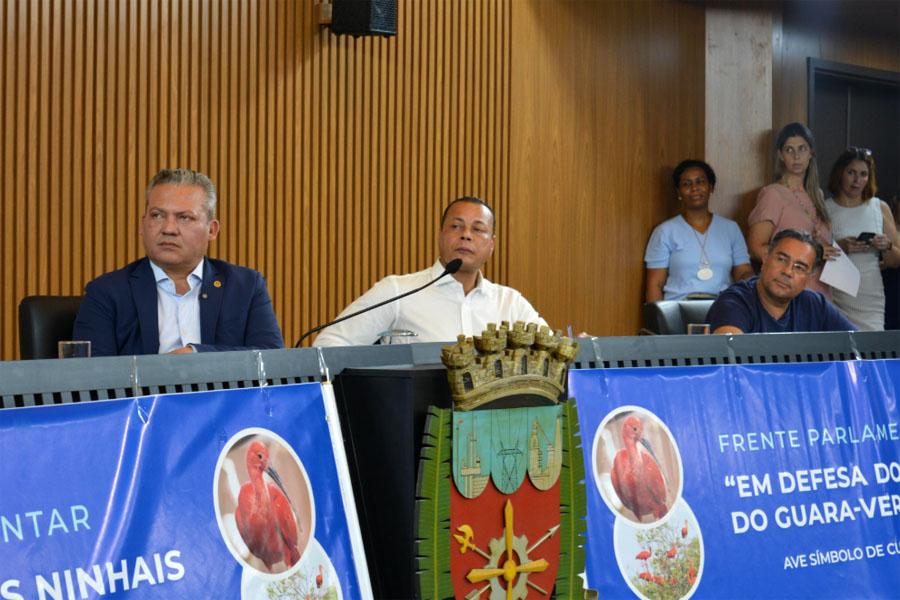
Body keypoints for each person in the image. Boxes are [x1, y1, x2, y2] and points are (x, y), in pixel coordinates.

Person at [73, 168, 285, 356]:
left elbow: (272, 357)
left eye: (185, 217)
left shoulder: (245, 286)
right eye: (157, 215)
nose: (168, 229)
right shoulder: (107, 292)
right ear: (143, 224)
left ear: (212, 230)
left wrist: (196, 355)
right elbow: (93, 377)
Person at [312, 196, 547, 346]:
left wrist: (582, 347)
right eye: (456, 226)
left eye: (478, 229)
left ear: (492, 244)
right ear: (440, 235)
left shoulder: (510, 303)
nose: (466, 234)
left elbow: (552, 349)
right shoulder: (398, 291)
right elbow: (329, 344)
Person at [746, 123, 840, 297]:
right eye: (789, 150)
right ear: (780, 155)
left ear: (811, 153)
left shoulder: (817, 194)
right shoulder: (773, 193)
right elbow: (755, 248)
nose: (796, 156)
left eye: (802, 149)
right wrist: (809, 255)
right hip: (787, 290)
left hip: (822, 289)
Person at [707, 229, 856, 334]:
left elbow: (860, 347)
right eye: (782, 260)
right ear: (765, 259)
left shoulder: (815, 304)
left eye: (799, 267)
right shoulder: (734, 302)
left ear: (809, 279)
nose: (787, 272)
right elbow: (731, 364)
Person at [644, 159, 753, 301]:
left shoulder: (730, 229)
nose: (694, 187)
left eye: (700, 181)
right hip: (678, 311)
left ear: (711, 187)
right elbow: (655, 285)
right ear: (679, 192)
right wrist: (658, 322)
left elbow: (743, 272)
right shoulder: (665, 232)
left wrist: (754, 279)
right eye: (686, 184)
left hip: (723, 309)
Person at [825, 148, 900, 331]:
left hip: (871, 296)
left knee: (873, 351)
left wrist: (886, 246)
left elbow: (895, 261)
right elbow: (816, 255)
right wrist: (840, 246)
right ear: (840, 173)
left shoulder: (879, 207)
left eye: (863, 174)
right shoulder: (826, 209)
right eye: (851, 173)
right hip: (838, 296)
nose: (857, 180)